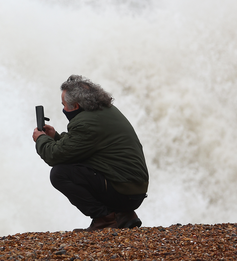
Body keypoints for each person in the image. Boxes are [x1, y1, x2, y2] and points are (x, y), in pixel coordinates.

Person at [32, 75, 149, 231]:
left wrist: (40, 139)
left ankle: (105, 219)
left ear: (76, 106)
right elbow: (81, 146)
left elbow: (53, 156)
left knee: (60, 174)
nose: (64, 109)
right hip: (133, 189)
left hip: (124, 192)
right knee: (81, 163)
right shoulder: (107, 111)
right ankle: (123, 215)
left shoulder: (85, 123)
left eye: (64, 104)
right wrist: (55, 137)